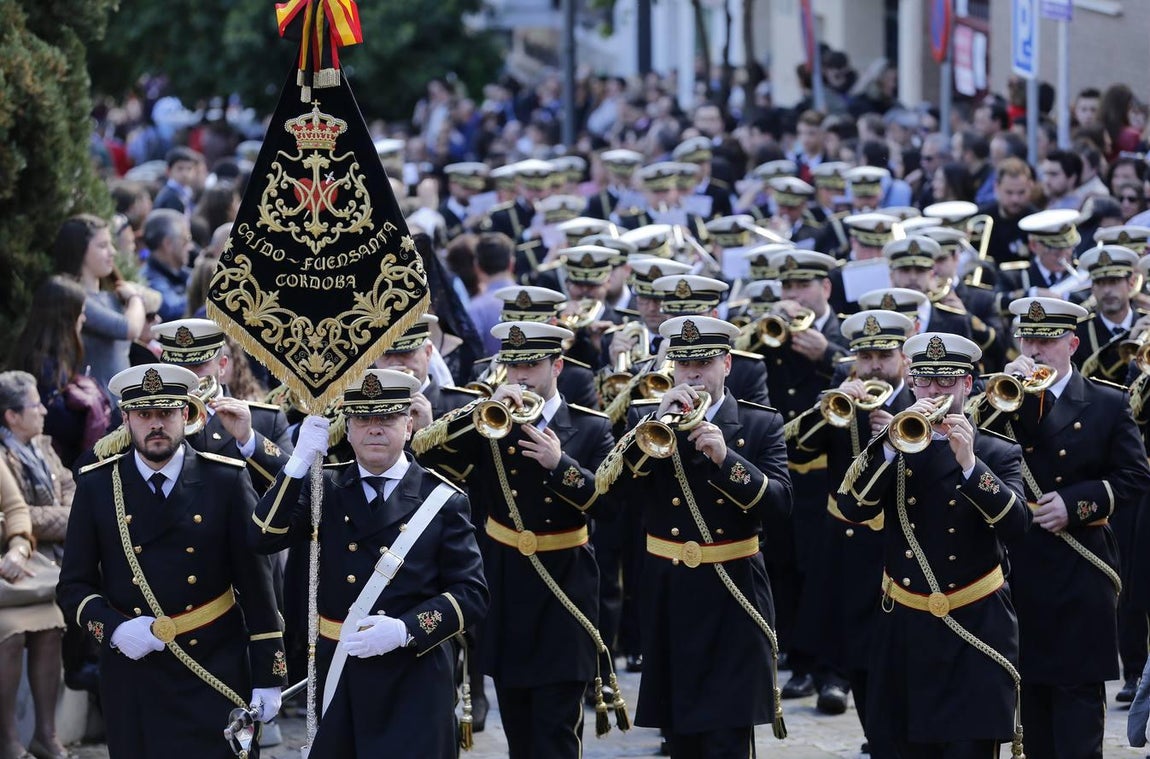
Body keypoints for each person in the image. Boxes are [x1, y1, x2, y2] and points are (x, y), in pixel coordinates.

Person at [249, 369, 488, 757]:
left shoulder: (442, 499)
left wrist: (405, 629)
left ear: (409, 425)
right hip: (342, 669)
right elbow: (263, 537)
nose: (375, 429)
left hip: (414, 672)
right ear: (348, 427)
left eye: (387, 418)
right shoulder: (323, 486)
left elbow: (472, 593)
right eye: (363, 419)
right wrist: (296, 464)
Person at [57, 364, 286, 759]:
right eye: (144, 415)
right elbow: (73, 587)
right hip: (135, 672)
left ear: (187, 414)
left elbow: (257, 587)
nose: (155, 425)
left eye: (165, 413)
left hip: (213, 665)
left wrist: (270, 676)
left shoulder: (225, 480)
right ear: (126, 419)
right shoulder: (97, 485)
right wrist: (113, 630)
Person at [414, 321, 616, 758]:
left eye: (533, 365)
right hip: (508, 587)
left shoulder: (590, 428)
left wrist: (560, 463)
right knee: (519, 728)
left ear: (557, 365)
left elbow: (611, 505)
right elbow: (427, 452)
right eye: (513, 365)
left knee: (555, 731)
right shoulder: (490, 423)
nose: (521, 376)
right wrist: (477, 414)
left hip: (565, 589)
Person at [598, 315, 791, 757]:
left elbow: (781, 506)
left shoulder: (760, 424)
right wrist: (651, 432)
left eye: (704, 362)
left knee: (727, 734)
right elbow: (610, 501)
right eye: (683, 364)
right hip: (671, 591)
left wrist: (726, 460)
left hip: (734, 590)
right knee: (680, 733)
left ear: (726, 363)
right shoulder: (646, 423)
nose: (693, 374)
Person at [839, 331, 1029, 757]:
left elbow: (1018, 526)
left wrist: (969, 464)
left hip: (973, 623)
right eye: (925, 381)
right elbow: (852, 506)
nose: (934, 391)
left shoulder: (997, 451)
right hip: (906, 625)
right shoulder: (892, 446)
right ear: (911, 382)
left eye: (947, 382)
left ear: (967, 385)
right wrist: (887, 447)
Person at [978, 297, 1150, 758]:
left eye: (1047, 341)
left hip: (1081, 562)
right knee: (1031, 703)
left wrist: (1075, 505)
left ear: (1072, 344)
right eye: (1028, 339)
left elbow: (1135, 475)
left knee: (1076, 710)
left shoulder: (1105, 402)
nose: (1036, 350)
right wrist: (1001, 394)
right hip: (1018, 563)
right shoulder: (998, 397)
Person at [788, 309, 917, 758]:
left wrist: (901, 432)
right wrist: (830, 408)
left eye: (884, 354)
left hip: (901, 547)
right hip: (848, 546)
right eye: (865, 355)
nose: (875, 365)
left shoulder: (919, 401)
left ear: (903, 356)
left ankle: (899, 736)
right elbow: (794, 445)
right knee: (854, 654)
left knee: (898, 654)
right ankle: (877, 736)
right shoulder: (842, 403)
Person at [0, 373, 73, 759]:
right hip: (22, 572)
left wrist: (16, 545)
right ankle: (8, 740)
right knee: (10, 635)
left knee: (51, 623)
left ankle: (45, 735)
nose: (45, 410)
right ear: (12, 416)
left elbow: (15, 512)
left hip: (28, 566)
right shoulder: (4, 452)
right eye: (35, 405)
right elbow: (22, 513)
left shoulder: (44, 447)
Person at [149, 319, 292, 495]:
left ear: (222, 366)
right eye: (178, 367)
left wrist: (248, 440)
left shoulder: (265, 420)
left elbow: (295, 486)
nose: (189, 377)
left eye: (198, 365)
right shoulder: (145, 419)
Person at [9, 276, 112, 469]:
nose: (84, 319)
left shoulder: (37, 353)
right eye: (80, 313)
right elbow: (60, 424)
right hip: (55, 463)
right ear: (66, 318)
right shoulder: (43, 366)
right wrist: (91, 408)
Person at [51, 215, 147, 397]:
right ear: (79, 250)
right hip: (99, 409)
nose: (113, 252)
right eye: (103, 246)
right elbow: (129, 328)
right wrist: (135, 298)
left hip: (122, 404)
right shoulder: (77, 299)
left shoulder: (110, 296)